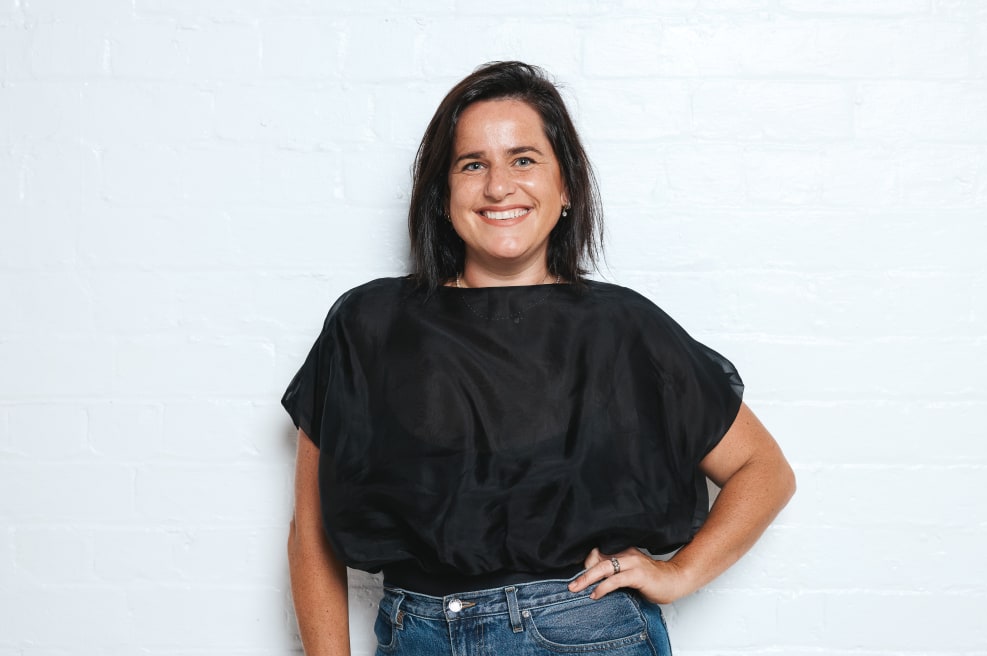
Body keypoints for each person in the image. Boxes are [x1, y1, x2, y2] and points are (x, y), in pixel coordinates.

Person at [283, 61, 795, 656]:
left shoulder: (623, 327)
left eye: (523, 160)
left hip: (585, 631)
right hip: (417, 635)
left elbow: (764, 470)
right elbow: (311, 532)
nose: (499, 186)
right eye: (473, 164)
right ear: (443, 192)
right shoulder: (368, 324)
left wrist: (678, 573)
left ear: (566, 186)